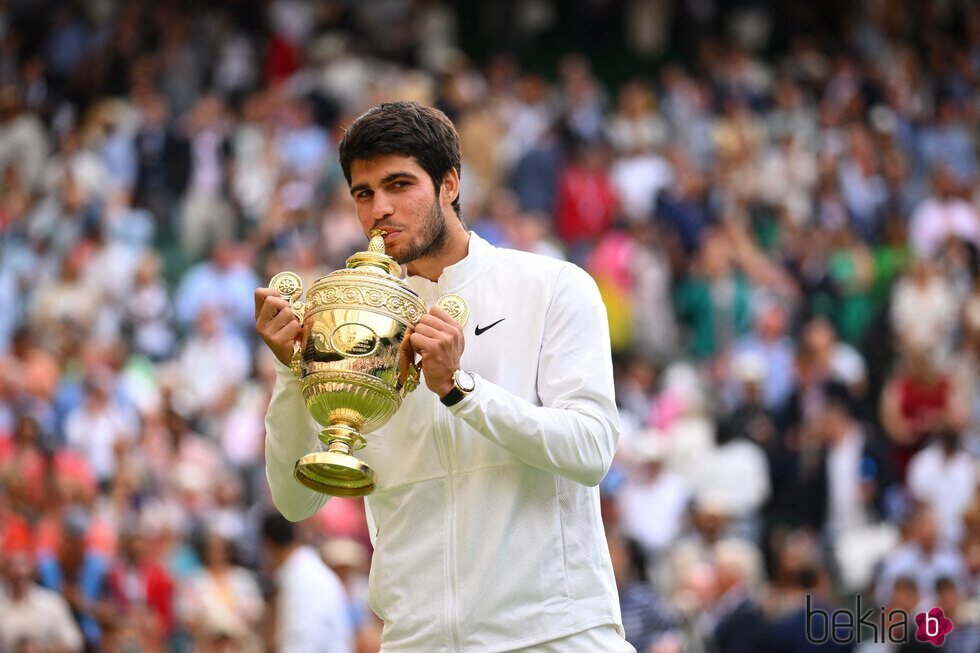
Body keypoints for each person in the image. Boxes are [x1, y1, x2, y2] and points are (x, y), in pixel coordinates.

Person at [255, 101, 630, 651]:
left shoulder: (552, 286)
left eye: (399, 184)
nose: (379, 208)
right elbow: (295, 501)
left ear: (450, 183)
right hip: (416, 640)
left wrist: (461, 390)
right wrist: (294, 372)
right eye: (363, 193)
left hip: (554, 635)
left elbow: (591, 450)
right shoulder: (347, 319)